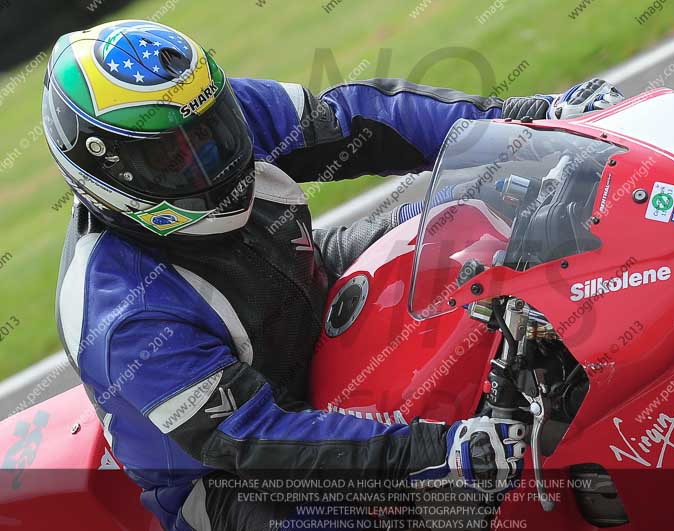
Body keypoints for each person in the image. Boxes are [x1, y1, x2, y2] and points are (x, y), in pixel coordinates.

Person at [44, 19, 623, 531]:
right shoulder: (124, 314)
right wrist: (436, 448)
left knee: (482, 222)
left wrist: (532, 121)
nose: (213, 157)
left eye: (214, 129)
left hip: (307, 280)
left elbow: (357, 120)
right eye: (174, 156)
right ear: (108, 170)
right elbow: (254, 437)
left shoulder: (208, 121)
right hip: (230, 479)